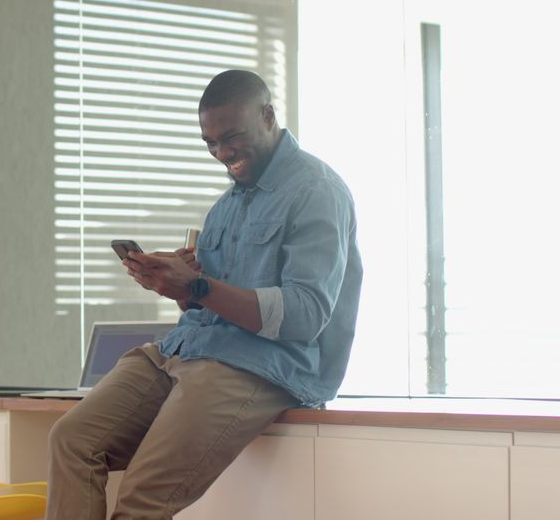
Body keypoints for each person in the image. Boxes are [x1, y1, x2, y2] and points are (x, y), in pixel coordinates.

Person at [45, 69, 363, 519]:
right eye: (210, 143)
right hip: (187, 349)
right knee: (71, 441)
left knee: (141, 497)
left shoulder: (316, 191)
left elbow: (306, 315)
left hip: (260, 364)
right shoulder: (226, 206)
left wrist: (198, 285)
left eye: (231, 137)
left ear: (268, 116)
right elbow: (205, 305)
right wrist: (176, 284)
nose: (222, 153)